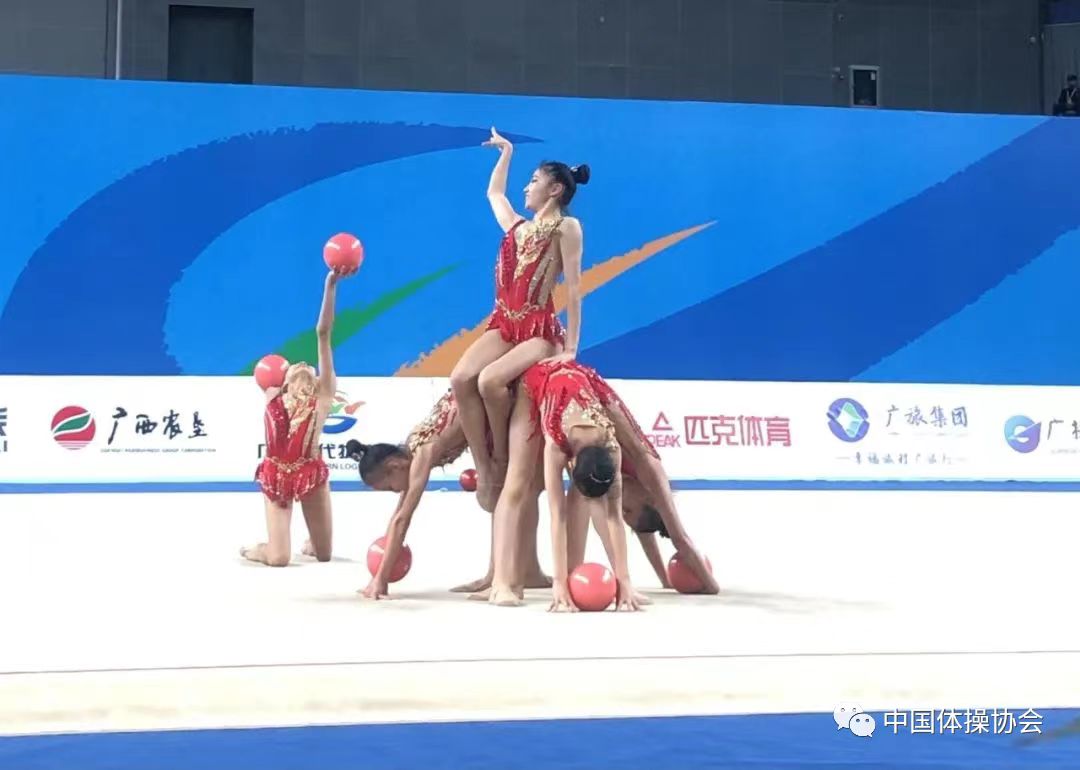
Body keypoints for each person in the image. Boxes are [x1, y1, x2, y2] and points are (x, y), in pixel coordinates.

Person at [449, 127, 589, 509]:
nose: (526, 188)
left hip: (539, 330)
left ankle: (502, 457)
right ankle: (485, 465)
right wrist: (506, 152)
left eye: (534, 181)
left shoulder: (566, 227)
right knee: (461, 378)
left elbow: (574, 288)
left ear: (555, 189)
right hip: (504, 323)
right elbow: (494, 193)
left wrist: (571, 348)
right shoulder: (518, 227)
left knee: (491, 381)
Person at [346, 389, 549, 599]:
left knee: (506, 493)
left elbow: (403, 519)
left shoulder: (422, 454)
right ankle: (502, 573)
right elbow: (398, 515)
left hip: (496, 404)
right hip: (484, 413)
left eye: (390, 487)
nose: (396, 491)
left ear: (394, 465)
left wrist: (380, 579)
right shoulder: (410, 453)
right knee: (502, 495)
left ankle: (502, 575)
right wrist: (378, 574)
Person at [487, 359, 640, 611]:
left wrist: (624, 580)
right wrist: (558, 583)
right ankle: (501, 583)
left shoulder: (611, 446)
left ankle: (576, 575)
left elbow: (614, 517)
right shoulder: (556, 445)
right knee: (518, 482)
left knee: (597, 503)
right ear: (572, 463)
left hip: (576, 383)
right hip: (535, 384)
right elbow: (557, 516)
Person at [241, 266, 355, 566]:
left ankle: (312, 542)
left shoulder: (323, 396)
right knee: (279, 558)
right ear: (285, 381)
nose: (303, 365)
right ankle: (262, 548)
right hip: (277, 475)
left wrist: (331, 285)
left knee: (324, 555)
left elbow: (323, 333)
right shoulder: (273, 396)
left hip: (310, 473)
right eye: (295, 367)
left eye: (309, 367)